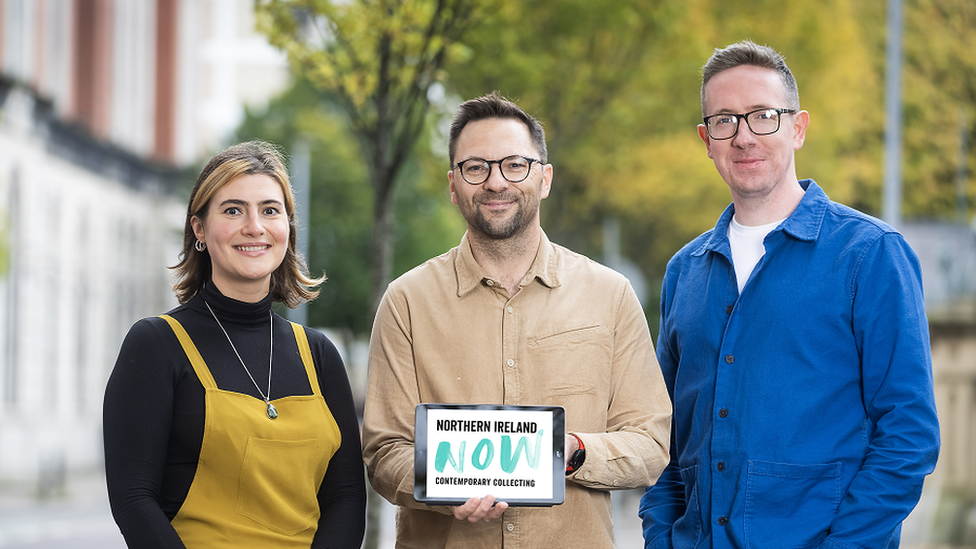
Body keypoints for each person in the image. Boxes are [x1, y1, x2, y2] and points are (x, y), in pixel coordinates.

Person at [639, 41, 940, 549]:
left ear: (797, 128)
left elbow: (908, 435)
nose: (743, 136)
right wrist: (660, 535)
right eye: (725, 121)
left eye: (763, 116)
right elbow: (665, 433)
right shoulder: (683, 273)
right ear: (705, 139)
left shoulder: (870, 255)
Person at [362, 91, 671, 548]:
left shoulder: (610, 296)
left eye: (514, 165)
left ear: (544, 178)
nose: (495, 182)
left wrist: (573, 451)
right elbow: (384, 451)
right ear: (453, 185)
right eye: (476, 167)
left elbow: (651, 443)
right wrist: (442, 486)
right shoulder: (407, 301)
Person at [103, 140, 366, 548]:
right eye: (233, 210)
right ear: (199, 229)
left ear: (288, 228)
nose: (254, 227)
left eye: (270, 210)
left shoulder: (320, 356)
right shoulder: (156, 345)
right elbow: (133, 500)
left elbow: (347, 498)